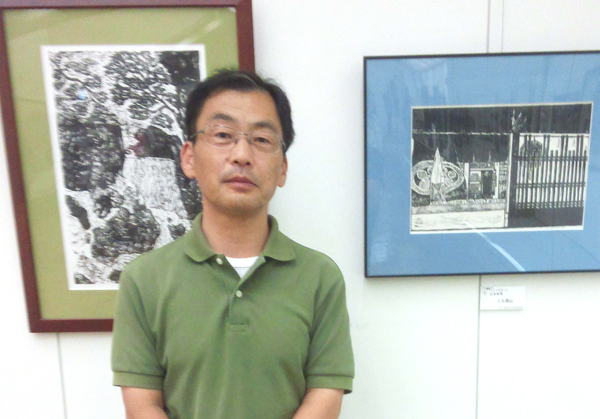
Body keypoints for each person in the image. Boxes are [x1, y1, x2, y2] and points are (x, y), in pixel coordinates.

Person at [111, 70, 354, 419]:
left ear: (282, 168)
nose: (242, 154)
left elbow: (325, 396)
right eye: (223, 135)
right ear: (189, 158)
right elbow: (142, 405)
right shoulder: (143, 279)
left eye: (261, 139)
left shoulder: (320, 277)